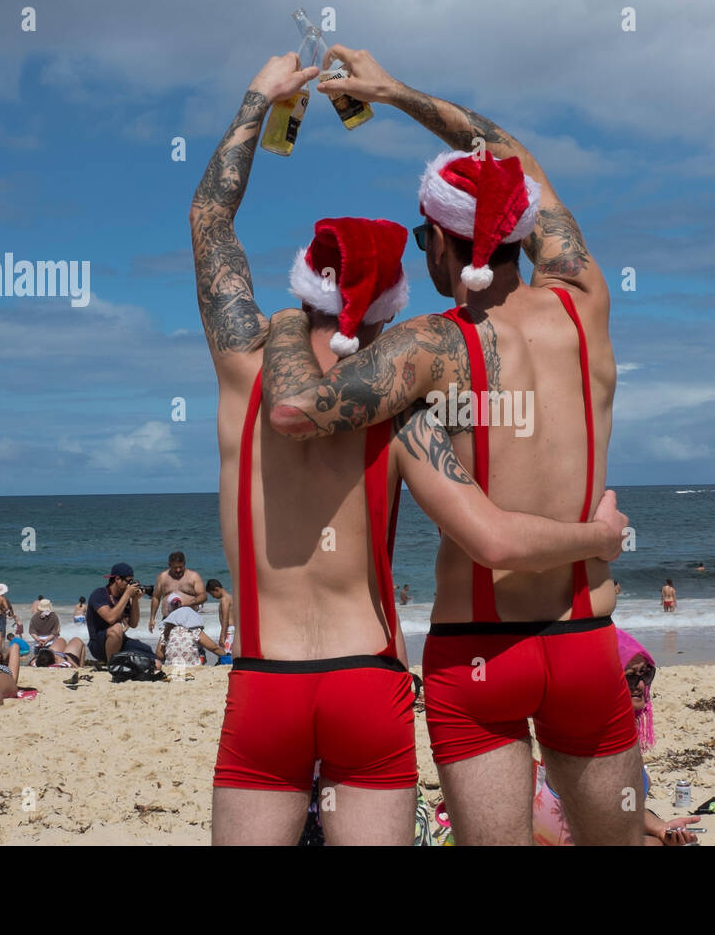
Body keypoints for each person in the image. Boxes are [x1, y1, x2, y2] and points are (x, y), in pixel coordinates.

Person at [194, 58, 631, 846]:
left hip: (468, 655)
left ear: (436, 243)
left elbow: (216, 231)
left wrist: (261, 98)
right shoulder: (585, 295)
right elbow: (516, 161)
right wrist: (393, 94)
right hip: (579, 634)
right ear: (521, 225)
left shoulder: (423, 355)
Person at [533, 631, 700, 846]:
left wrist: (661, 828)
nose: (640, 685)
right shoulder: (592, 736)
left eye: (646, 674)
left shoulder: (616, 728)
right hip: (564, 834)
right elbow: (604, 812)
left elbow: (621, 806)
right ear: (604, 679)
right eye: (630, 676)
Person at [85, 564, 156, 664]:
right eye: (128, 581)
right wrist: (127, 594)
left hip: (120, 642)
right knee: (117, 628)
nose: (130, 585)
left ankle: (121, 663)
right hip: (98, 644)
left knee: (152, 658)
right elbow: (110, 618)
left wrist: (135, 600)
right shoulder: (99, 594)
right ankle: (112, 666)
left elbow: (133, 624)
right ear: (117, 579)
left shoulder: (123, 598)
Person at [156, 594, 228, 669]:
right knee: (201, 651)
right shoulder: (194, 631)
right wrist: (226, 656)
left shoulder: (167, 630)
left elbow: (159, 653)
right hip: (191, 667)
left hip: (171, 667)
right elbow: (214, 647)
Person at [150, 551, 208, 630]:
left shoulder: (194, 576)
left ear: (184, 563)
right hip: (168, 620)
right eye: (175, 567)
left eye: (181, 567)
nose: (178, 570)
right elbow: (156, 597)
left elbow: (203, 596)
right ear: (169, 565)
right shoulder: (162, 577)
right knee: (165, 642)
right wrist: (152, 618)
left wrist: (187, 603)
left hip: (189, 620)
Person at [206, 580, 234, 655]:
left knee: (226, 653)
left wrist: (222, 636)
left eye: (212, 594)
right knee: (231, 653)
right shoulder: (231, 597)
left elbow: (225, 618)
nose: (213, 597)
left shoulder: (225, 599)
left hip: (229, 631)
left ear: (217, 589)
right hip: (233, 630)